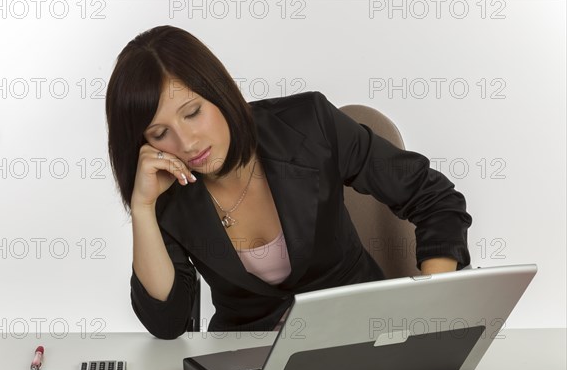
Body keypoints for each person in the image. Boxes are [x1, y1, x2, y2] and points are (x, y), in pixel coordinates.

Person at [105, 25, 472, 340]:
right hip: (246, 357)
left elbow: (435, 199)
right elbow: (167, 324)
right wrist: (143, 209)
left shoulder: (308, 125)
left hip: (358, 338)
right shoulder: (168, 191)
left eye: (193, 113)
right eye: (160, 133)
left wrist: (428, 302)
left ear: (218, 92)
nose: (186, 143)